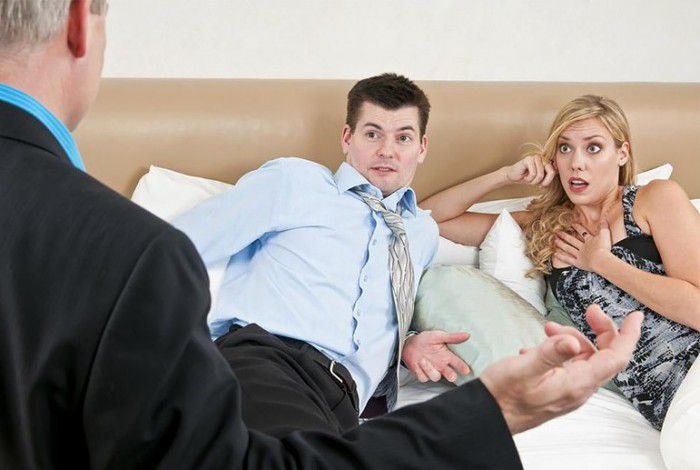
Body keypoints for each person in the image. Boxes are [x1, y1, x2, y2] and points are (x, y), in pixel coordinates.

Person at [0, 1, 642, 468]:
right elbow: (169, 250)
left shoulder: (417, 234)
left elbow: (418, 239)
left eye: (403, 138)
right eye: (372, 134)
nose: (386, 151)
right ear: (346, 138)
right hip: (270, 361)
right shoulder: (296, 183)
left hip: (353, 402)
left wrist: (405, 344)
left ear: (422, 148)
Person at [421, 94, 700, 430]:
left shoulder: (654, 199)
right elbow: (427, 218)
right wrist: (504, 176)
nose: (576, 163)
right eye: (565, 148)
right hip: (664, 407)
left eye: (593, 148)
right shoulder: (546, 225)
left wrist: (603, 262)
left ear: (622, 153)